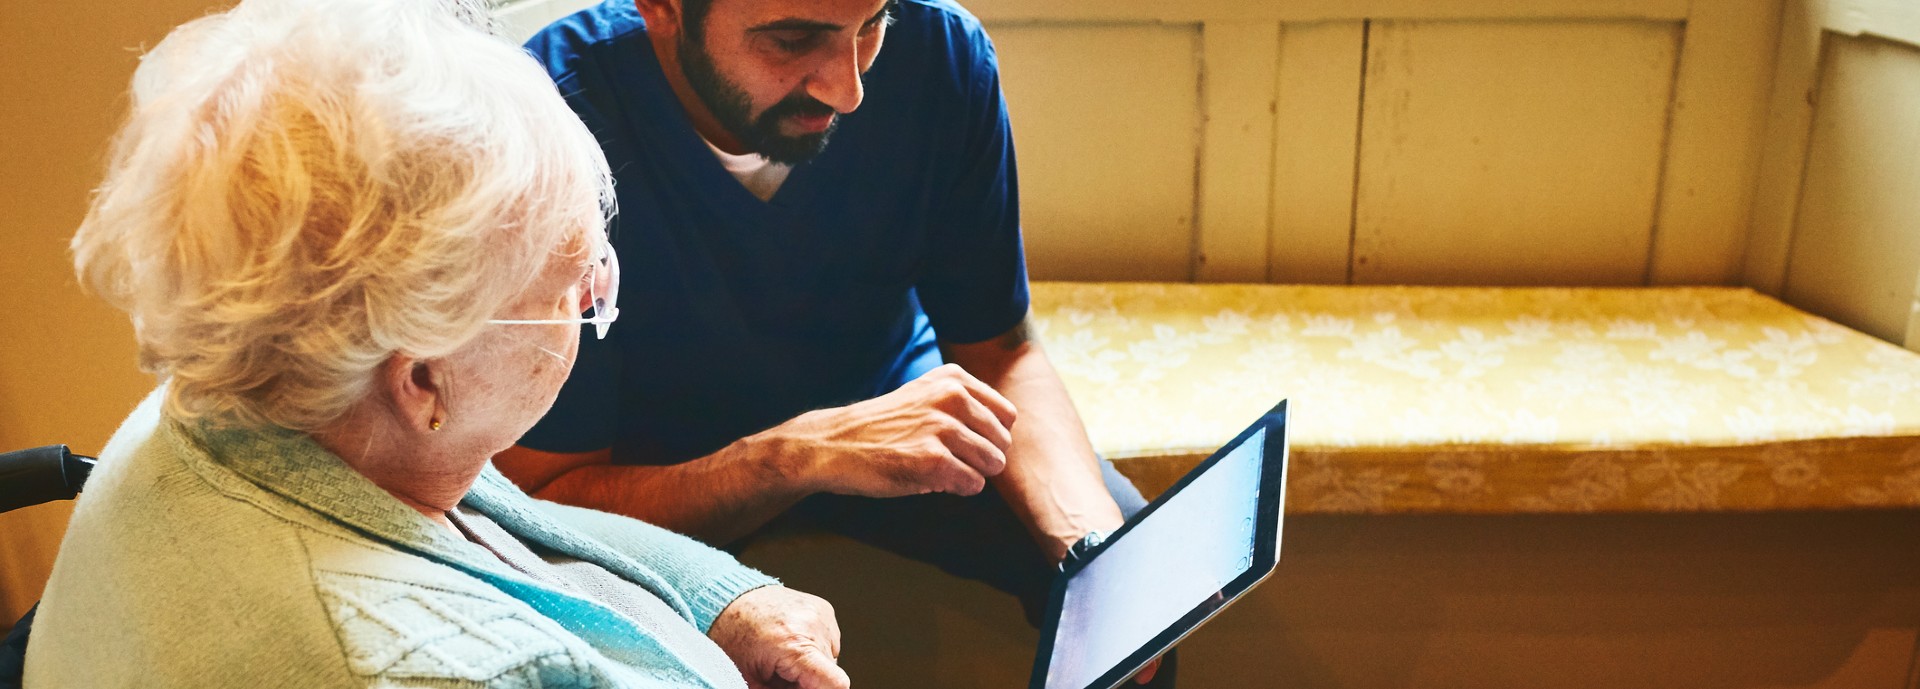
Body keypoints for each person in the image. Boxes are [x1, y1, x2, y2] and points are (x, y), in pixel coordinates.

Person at [27, 1, 849, 686]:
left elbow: (509, 515)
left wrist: (721, 599)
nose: (599, 291)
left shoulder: (280, 401)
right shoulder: (431, 670)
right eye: (571, 281)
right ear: (422, 378)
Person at [498, 0, 1169, 682]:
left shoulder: (941, 52)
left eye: (874, 24)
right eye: (793, 40)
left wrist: (1090, 548)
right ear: (663, 9)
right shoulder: (548, 118)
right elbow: (540, 502)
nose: (849, 89)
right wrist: (794, 456)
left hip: (891, 404)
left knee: (1138, 595)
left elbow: (1002, 351)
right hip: (649, 468)